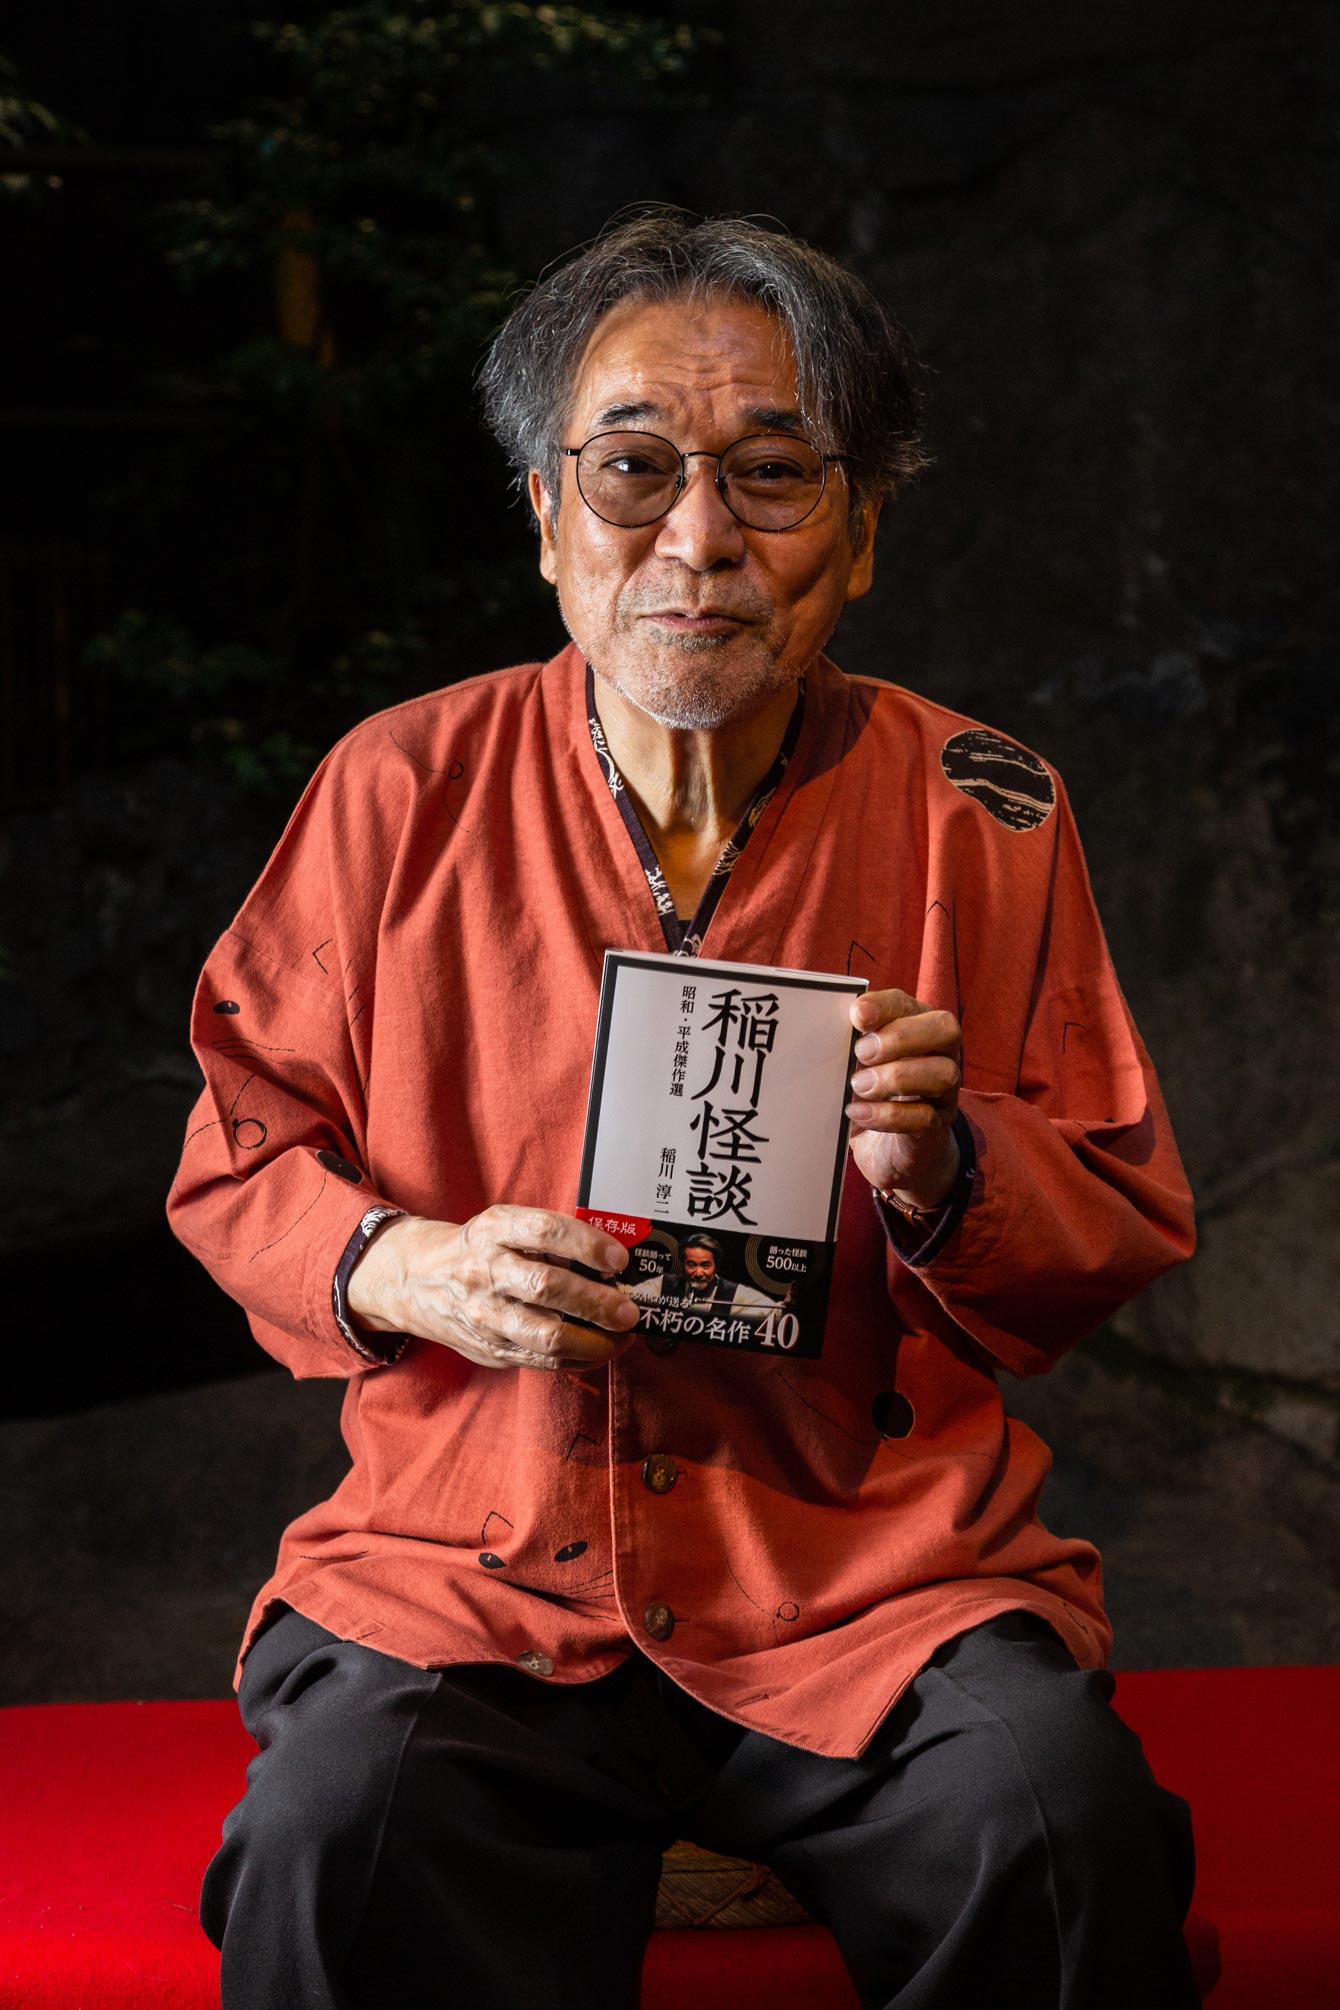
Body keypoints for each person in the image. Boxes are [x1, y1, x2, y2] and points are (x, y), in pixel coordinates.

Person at [168, 209, 1200, 2009]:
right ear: (546, 516)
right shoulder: (397, 788)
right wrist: (408, 1266)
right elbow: (235, 1155)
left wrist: (947, 1164)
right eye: (634, 469)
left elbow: (1109, 1213)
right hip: (474, 1564)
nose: (701, 539)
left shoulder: (986, 810)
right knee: (335, 1839)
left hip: (870, 1577)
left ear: (860, 532)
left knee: (1057, 1825)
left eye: (774, 475)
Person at [628, 1232, 777, 1317]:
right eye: (691, 1265)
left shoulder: (733, 1293)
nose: (698, 1273)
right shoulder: (666, 1284)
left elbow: (774, 1311)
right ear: (683, 1265)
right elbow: (629, 1295)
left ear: (716, 1267)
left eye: (705, 1265)